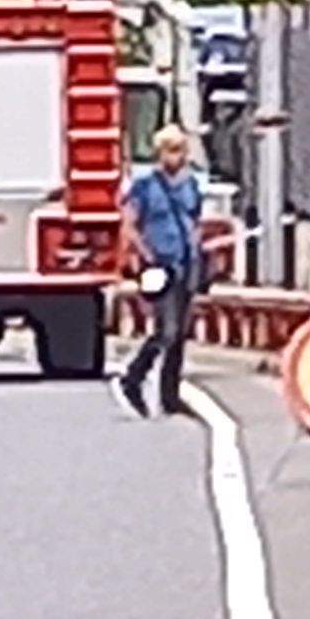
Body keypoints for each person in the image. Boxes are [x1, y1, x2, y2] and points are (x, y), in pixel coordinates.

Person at [118, 123, 209, 417]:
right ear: (160, 153)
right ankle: (134, 377)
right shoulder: (145, 186)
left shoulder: (191, 185)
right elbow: (130, 224)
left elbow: (195, 221)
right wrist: (146, 256)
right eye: (170, 150)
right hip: (159, 264)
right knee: (166, 330)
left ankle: (169, 395)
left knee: (180, 332)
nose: (176, 156)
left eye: (180, 149)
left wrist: (198, 251)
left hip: (186, 263)